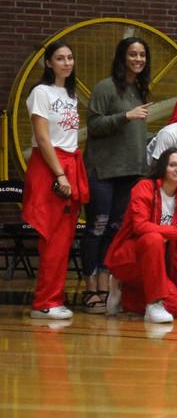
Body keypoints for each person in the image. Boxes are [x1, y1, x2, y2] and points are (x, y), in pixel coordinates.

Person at [82, 37, 151, 314]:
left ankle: (105, 283)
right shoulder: (105, 87)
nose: (138, 59)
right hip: (104, 171)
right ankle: (90, 289)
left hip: (131, 172)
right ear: (122, 57)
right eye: (133, 54)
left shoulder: (140, 88)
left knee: (115, 229)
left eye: (142, 55)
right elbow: (94, 125)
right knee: (96, 228)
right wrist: (125, 115)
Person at [23, 41, 89, 320]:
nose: (66, 62)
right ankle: (44, 302)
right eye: (60, 58)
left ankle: (54, 298)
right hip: (51, 165)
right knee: (52, 238)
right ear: (48, 63)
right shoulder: (41, 92)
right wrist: (60, 174)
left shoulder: (70, 94)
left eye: (70, 57)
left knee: (64, 238)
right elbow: (42, 137)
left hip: (71, 162)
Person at [104, 149, 177, 323]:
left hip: (155, 266)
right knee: (153, 238)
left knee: (176, 308)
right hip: (129, 257)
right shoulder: (145, 187)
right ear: (163, 167)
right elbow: (140, 226)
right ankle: (153, 303)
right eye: (173, 165)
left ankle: (127, 294)